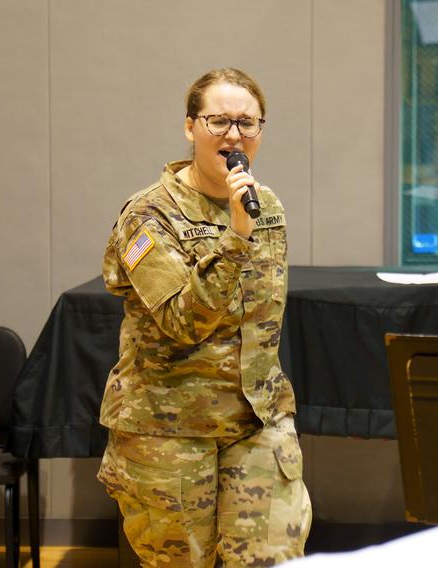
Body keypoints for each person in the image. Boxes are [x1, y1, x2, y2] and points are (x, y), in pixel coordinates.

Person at [97, 68, 311, 567]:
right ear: (190, 127)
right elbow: (182, 321)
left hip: (256, 421)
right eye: (218, 121)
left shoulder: (267, 207)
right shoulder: (148, 216)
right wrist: (235, 237)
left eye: (247, 123)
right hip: (171, 428)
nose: (234, 135)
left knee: (274, 559)